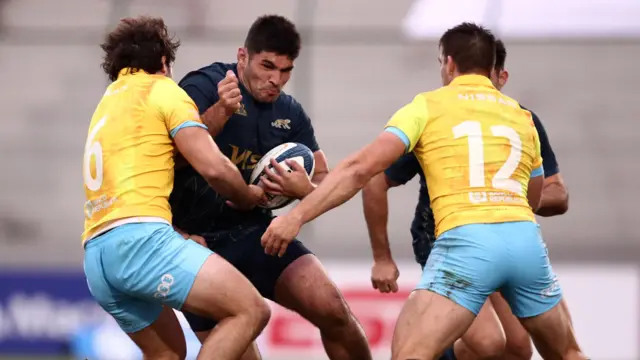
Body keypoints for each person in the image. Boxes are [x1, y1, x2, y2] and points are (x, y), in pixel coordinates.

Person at [260, 22, 588, 360]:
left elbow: (361, 169)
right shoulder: (523, 118)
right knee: (565, 352)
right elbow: (532, 198)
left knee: (412, 352)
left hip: (467, 243)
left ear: (448, 63)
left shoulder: (428, 106)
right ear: (493, 69)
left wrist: (296, 216)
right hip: (524, 243)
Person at [169, 15, 372, 360]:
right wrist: (221, 110)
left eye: (286, 70)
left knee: (334, 310)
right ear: (243, 57)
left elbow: (324, 178)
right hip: (194, 242)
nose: (276, 79)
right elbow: (167, 155)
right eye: (267, 66)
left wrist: (305, 188)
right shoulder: (205, 86)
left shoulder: (290, 114)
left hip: (256, 233)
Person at [362, 39, 570, 360]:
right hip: (447, 236)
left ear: (502, 78)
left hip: (501, 234)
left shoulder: (522, 120)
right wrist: (382, 257)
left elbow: (558, 194)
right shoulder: (444, 116)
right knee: (487, 342)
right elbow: (375, 178)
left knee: (517, 348)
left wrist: (501, 197)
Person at [82, 16, 271, 360]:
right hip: (142, 243)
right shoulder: (164, 90)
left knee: (168, 354)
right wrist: (248, 196)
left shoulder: (107, 103)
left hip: (97, 256)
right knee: (251, 310)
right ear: (164, 62)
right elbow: (213, 168)